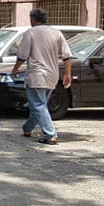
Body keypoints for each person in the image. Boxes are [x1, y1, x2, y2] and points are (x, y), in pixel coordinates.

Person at [11, 8, 75, 145]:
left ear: (32, 20)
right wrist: (68, 74)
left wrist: (15, 69)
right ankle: (27, 128)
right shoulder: (56, 33)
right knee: (40, 105)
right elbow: (67, 56)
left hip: (37, 74)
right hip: (52, 74)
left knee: (38, 104)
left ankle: (50, 134)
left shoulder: (31, 33)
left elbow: (22, 56)